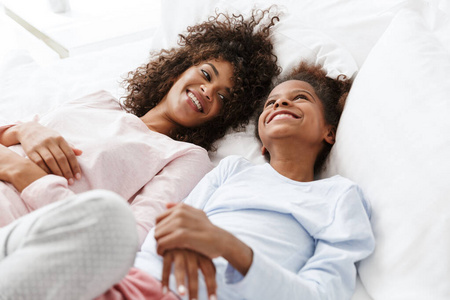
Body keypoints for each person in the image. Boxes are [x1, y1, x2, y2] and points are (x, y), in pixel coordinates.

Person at [0, 61, 374, 300]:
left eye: (300, 98)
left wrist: (229, 247)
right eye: (270, 103)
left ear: (329, 131)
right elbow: (165, 233)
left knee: (107, 217)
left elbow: (322, 295)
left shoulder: (338, 196)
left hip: (157, 289)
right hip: (132, 282)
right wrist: (23, 130)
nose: (278, 105)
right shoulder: (232, 171)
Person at [0, 9, 280, 244]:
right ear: (179, 70)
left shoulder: (185, 158)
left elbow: (126, 241)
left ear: (223, 116)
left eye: (222, 97)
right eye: (206, 74)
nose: (207, 90)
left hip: (17, 226)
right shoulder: (99, 102)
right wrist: (23, 131)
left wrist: (26, 175)